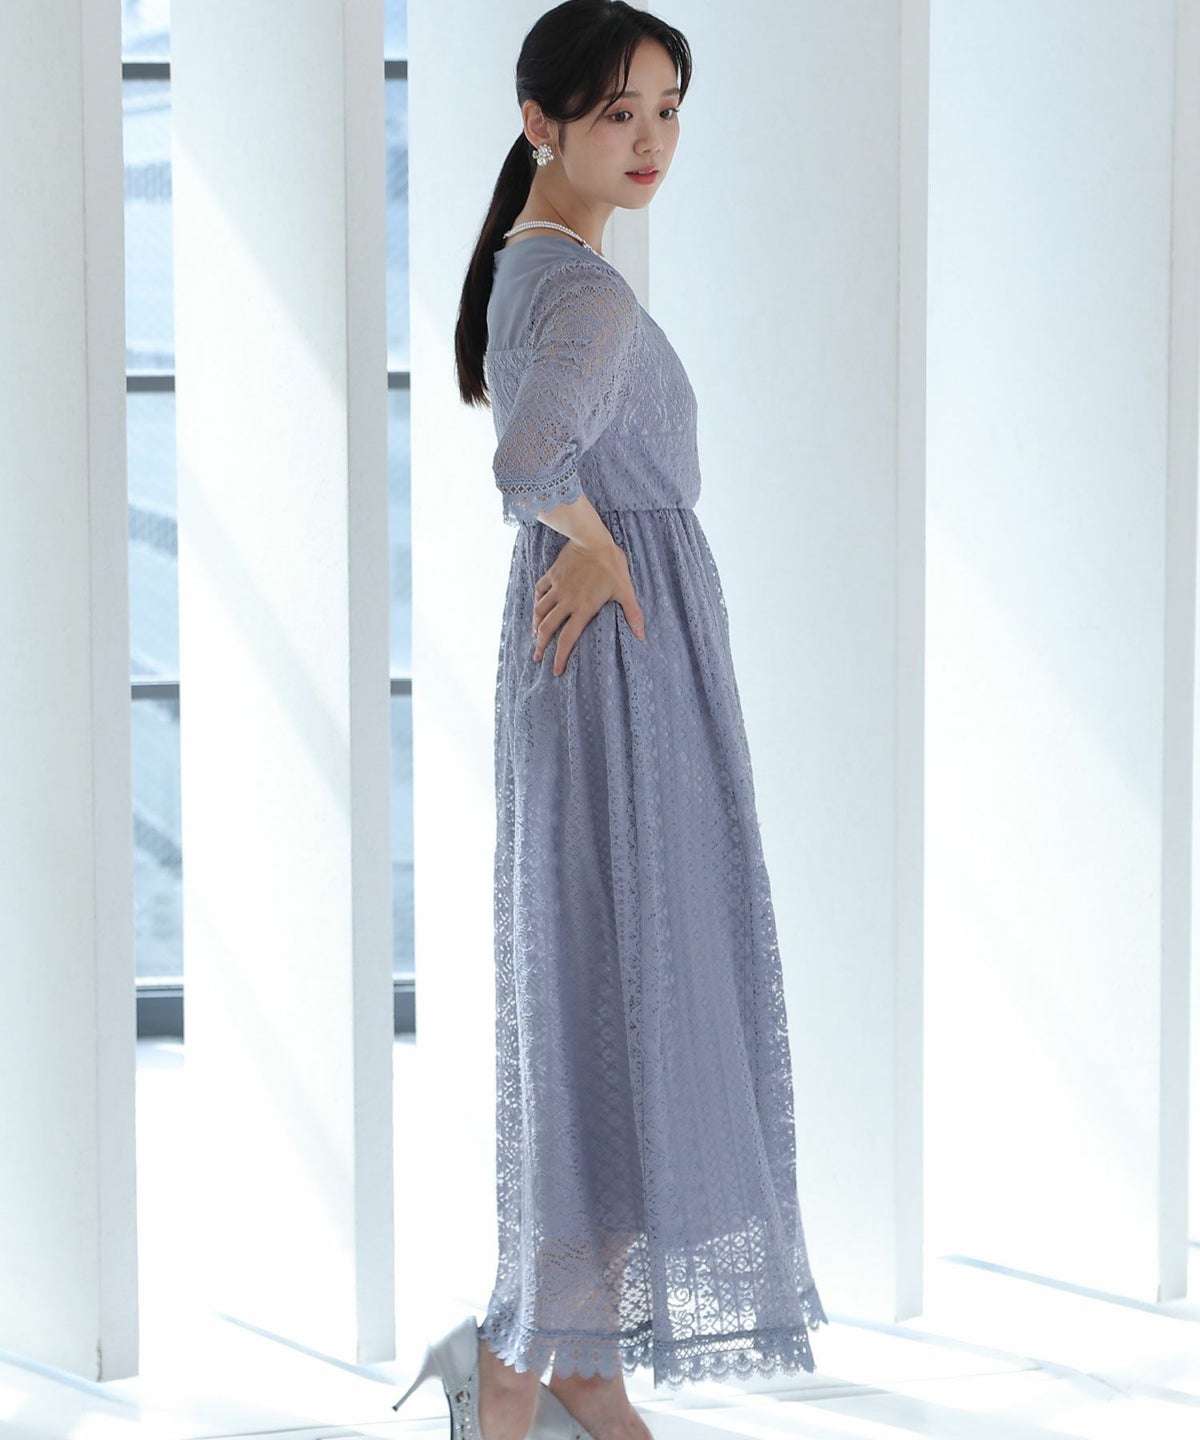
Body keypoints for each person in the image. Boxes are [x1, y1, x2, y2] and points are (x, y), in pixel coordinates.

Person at [393, 5, 827, 1439]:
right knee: (631, 990)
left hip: (605, 671)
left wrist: (587, 539)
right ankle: (528, 1358)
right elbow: (529, 459)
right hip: (621, 681)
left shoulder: (538, 263)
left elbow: (530, 448)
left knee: (610, 991)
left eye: (667, 110)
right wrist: (593, 541)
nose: (650, 141)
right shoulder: (579, 290)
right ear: (541, 123)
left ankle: (558, 1352)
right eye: (617, 113)